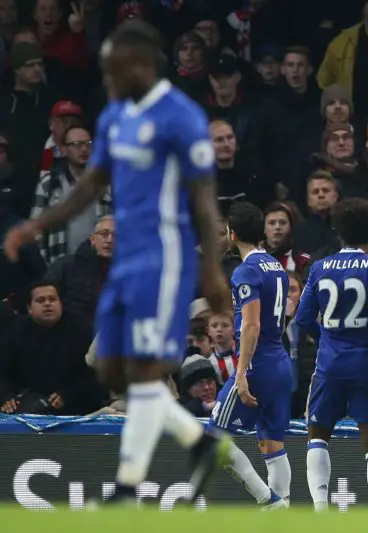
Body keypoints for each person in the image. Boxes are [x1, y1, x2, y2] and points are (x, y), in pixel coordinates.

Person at [3, 20, 231, 504]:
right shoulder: (113, 117)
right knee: (108, 365)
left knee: (144, 370)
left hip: (163, 257)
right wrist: (38, 224)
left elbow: (203, 197)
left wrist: (211, 270)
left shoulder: (181, 117)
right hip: (126, 258)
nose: (106, 78)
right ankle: (200, 443)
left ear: (142, 66)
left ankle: (129, 483)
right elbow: (91, 184)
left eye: (114, 69)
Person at [294, 198, 368, 511]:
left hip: (329, 364)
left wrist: (325, 336)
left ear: (338, 230)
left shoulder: (319, 267)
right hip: (367, 365)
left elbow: (302, 318)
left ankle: (320, 509)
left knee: (317, 436)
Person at [206, 201, 292, 509]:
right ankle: (283, 513)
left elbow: (252, 323)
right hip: (280, 361)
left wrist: (241, 373)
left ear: (232, 234)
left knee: (213, 439)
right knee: (272, 443)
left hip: (258, 364)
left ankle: (269, 502)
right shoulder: (277, 267)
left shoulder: (246, 271)